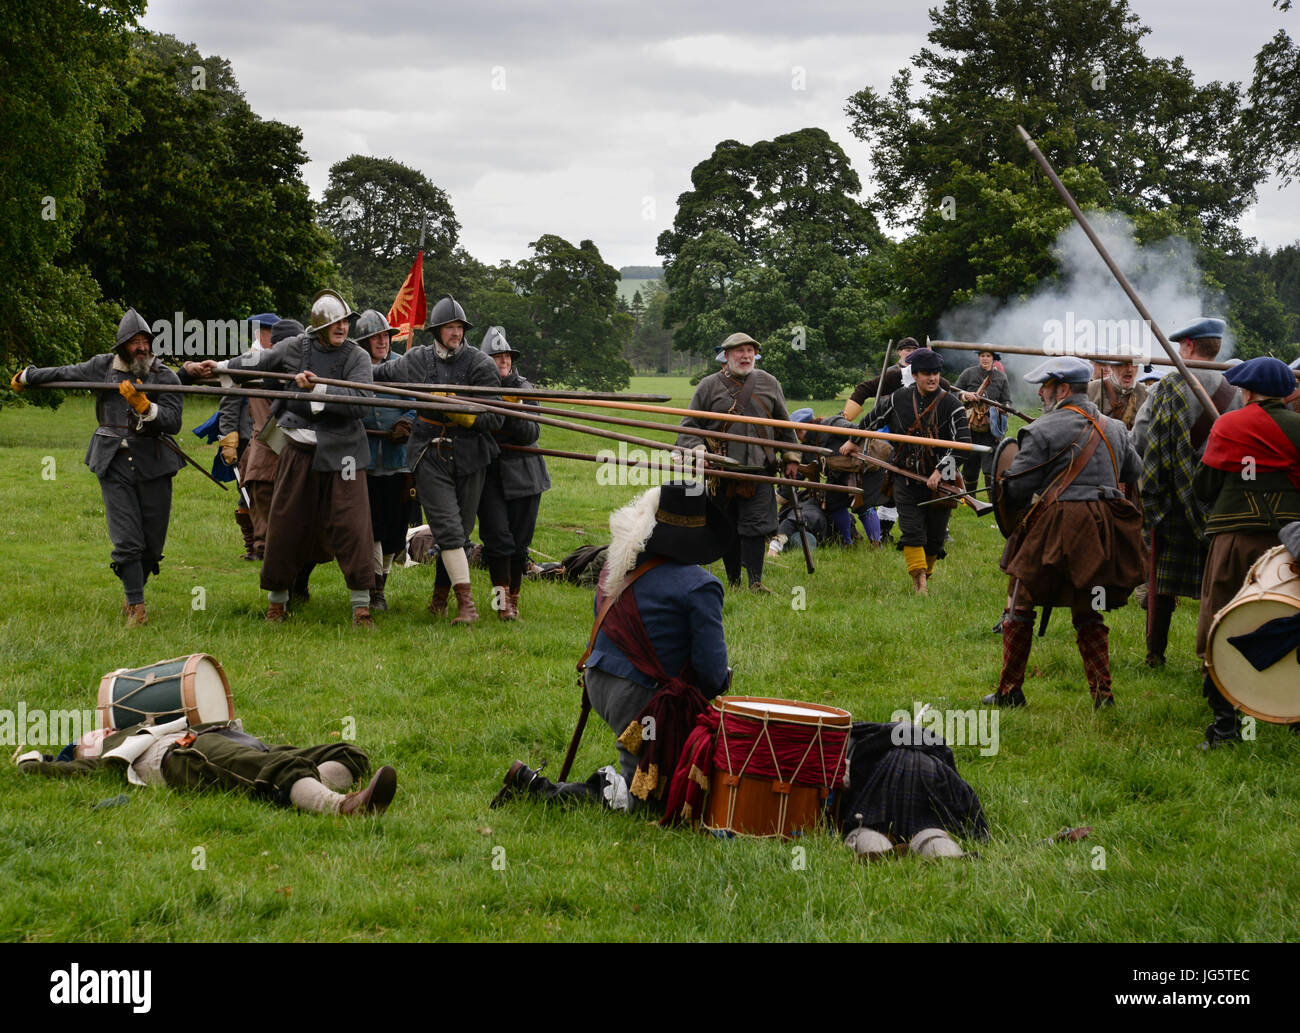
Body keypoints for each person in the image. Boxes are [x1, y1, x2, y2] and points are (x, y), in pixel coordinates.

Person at [491, 483, 732, 811]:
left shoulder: (617, 565)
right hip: (641, 698)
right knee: (647, 799)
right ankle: (537, 788)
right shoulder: (701, 586)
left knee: (664, 778)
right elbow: (712, 674)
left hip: (597, 681)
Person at [197, 290, 376, 626]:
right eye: (336, 322)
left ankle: (361, 605)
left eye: (346, 322)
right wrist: (219, 366)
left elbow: (363, 401)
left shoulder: (357, 357)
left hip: (345, 454)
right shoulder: (296, 347)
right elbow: (258, 361)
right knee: (284, 524)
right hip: (298, 448)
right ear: (321, 324)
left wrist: (319, 390)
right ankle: (277, 601)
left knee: (353, 525)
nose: (343, 328)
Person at [983, 357, 1145, 709]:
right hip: (1105, 530)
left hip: (1060, 524)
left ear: (1063, 389)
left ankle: (1010, 691)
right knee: (1090, 608)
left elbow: (1016, 489)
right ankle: (1103, 695)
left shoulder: (1043, 428)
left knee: (1020, 601)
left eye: (1045, 385)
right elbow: (1134, 470)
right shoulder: (1115, 428)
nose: (1040, 392)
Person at [11, 309, 184, 627]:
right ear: (122, 346)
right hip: (113, 460)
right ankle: (137, 605)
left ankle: (133, 593)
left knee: (152, 545)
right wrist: (27, 377)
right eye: (135, 342)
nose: (142, 347)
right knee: (127, 540)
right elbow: (65, 373)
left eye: (146, 341)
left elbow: (173, 421)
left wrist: (147, 407)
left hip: (155, 463)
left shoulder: (166, 376)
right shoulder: (102, 366)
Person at [371, 296, 504, 624]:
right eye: (450, 327)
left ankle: (438, 600)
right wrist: (347, 369)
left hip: (471, 456)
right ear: (437, 331)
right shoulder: (416, 360)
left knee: (458, 532)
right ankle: (467, 606)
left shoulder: (480, 365)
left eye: (460, 327)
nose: (456, 333)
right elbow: (380, 373)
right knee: (447, 527)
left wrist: (463, 414)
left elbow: (497, 418)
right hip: (429, 453)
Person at [1192, 357, 1300, 747]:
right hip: (1291, 541)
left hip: (1234, 537)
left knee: (1221, 618)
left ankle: (1225, 727)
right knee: (1291, 617)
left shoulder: (1229, 424)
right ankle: (1293, 712)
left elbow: (1203, 487)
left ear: (1249, 391)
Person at [1132, 318, 1242, 667]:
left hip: (1172, 503)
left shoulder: (1168, 388)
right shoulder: (1236, 392)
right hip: (1221, 504)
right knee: (1219, 585)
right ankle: (1214, 660)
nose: (1179, 352)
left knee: (1162, 582)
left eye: (1181, 346)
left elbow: (1141, 438)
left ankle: (1155, 655)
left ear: (1189, 346)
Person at [16, 717, 396, 816]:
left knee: (347, 751)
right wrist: (37, 763)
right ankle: (339, 807)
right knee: (278, 768)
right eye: (87, 739)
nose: (98, 732)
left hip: (225, 738)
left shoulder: (141, 724)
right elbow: (70, 770)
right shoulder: (108, 757)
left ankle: (307, 787)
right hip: (182, 756)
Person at [674, 332, 800, 592]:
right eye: (739, 351)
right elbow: (688, 426)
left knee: (755, 528)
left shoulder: (770, 382)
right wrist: (699, 450)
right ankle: (734, 583)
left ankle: (755, 582)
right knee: (727, 527)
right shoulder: (708, 386)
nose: (745, 356)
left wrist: (791, 456)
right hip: (722, 471)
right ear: (727, 356)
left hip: (759, 469)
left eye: (749, 351)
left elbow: (785, 424)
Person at [862, 346, 970, 594]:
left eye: (935, 373)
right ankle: (918, 582)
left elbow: (963, 443)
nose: (931, 378)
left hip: (942, 482)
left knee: (935, 536)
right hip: (905, 476)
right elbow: (871, 421)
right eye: (925, 373)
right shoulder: (898, 398)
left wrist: (942, 471)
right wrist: (850, 441)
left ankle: (926, 576)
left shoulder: (951, 404)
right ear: (916, 374)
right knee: (911, 531)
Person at [476, 326, 551, 620]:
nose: (503, 361)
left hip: (525, 476)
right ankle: (500, 604)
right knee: (497, 542)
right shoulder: (477, 388)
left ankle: (513, 601)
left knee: (519, 546)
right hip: (489, 473)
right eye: (496, 357)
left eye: (506, 356)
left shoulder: (524, 389)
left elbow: (530, 432)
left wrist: (512, 408)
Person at [838, 721, 989, 860]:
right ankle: (945, 852)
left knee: (869, 829)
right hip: (930, 773)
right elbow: (960, 789)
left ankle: (874, 849)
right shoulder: (932, 747)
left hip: (885, 773)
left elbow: (847, 781)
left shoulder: (853, 744)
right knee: (931, 830)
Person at [355, 310, 416, 612]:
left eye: (385, 336)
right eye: (376, 336)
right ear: (365, 341)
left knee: (395, 529)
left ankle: (384, 580)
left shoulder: (401, 366)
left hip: (399, 461)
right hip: (364, 462)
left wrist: (406, 421)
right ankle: (374, 589)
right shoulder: (354, 367)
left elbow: (417, 402)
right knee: (374, 527)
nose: (382, 341)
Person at [215, 313, 279, 560]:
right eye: (268, 332)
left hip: (277, 435)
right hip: (246, 436)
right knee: (247, 491)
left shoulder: (280, 358)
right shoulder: (247, 360)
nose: (272, 337)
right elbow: (229, 401)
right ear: (259, 333)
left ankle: (269, 542)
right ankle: (253, 546)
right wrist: (228, 438)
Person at [954, 349, 1011, 492]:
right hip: (970, 427)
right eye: (982, 355)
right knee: (969, 468)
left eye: (988, 356)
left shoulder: (1001, 377)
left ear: (993, 359)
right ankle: (970, 500)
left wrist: (1004, 408)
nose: (985, 359)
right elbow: (953, 392)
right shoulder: (968, 373)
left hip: (991, 429)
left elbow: (1007, 401)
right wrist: (965, 396)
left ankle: (992, 503)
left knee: (990, 468)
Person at [1087, 356, 1147, 429]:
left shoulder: (1146, 393)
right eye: (1123, 365)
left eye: (1134, 365)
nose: (1129, 369)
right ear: (1112, 367)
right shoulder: (1092, 388)